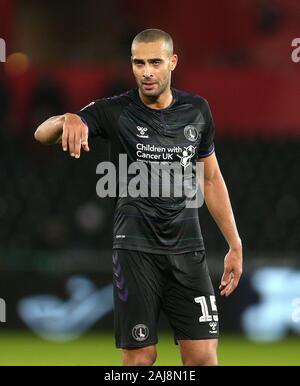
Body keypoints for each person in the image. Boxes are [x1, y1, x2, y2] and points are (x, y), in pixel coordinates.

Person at [34, 28, 243, 366]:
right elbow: (41, 134)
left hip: (188, 251)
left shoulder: (197, 111)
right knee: (140, 358)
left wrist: (234, 243)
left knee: (204, 357)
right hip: (135, 251)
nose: (146, 71)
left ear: (172, 62)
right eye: (138, 63)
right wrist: (67, 117)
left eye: (155, 62)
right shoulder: (115, 111)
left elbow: (212, 178)